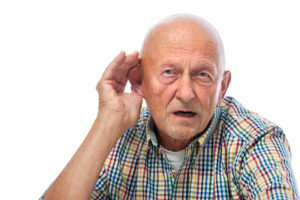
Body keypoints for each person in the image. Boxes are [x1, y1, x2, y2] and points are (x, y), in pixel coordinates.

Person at [41, 14, 298, 199]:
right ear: (140, 80)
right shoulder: (120, 137)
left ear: (223, 87)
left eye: (202, 75)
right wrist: (107, 120)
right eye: (168, 72)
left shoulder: (255, 140)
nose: (186, 93)